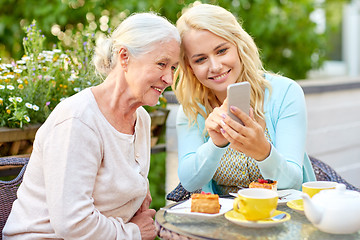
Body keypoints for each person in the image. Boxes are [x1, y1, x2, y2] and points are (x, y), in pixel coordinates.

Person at [3, 12, 180, 240]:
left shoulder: (142, 119)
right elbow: (73, 224)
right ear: (124, 57)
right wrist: (133, 232)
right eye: (161, 64)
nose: (169, 79)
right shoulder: (78, 120)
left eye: (174, 68)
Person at [172, 3, 316, 195]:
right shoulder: (191, 111)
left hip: (285, 217)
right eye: (200, 59)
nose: (215, 66)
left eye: (222, 51)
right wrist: (215, 144)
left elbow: (293, 180)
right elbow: (189, 182)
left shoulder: (285, 93)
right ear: (190, 67)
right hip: (225, 221)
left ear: (239, 46)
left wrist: (262, 151)